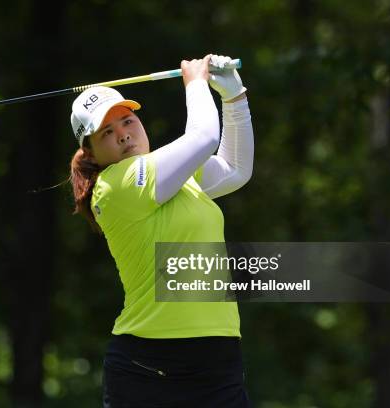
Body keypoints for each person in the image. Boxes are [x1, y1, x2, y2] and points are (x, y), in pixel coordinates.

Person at [69, 54, 254, 407]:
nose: (123, 135)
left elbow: (235, 168)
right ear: (90, 152)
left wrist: (234, 98)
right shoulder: (116, 184)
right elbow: (202, 137)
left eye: (127, 121)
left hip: (219, 361)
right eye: (107, 132)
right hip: (151, 367)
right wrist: (196, 81)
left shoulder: (175, 177)